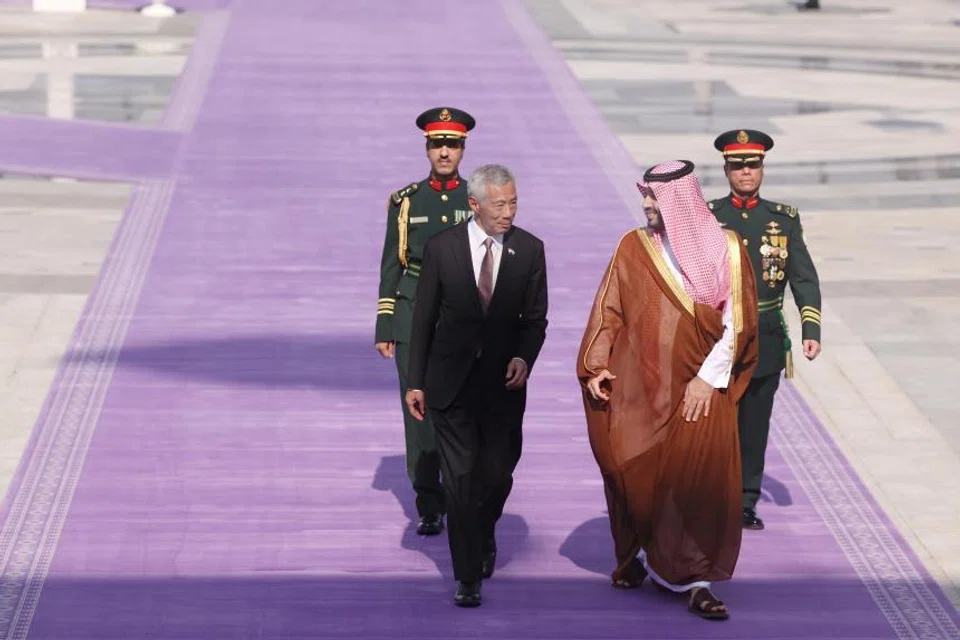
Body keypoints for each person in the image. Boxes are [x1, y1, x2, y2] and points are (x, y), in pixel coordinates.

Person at [577, 160, 759, 620]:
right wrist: (596, 364)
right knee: (631, 466)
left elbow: (738, 325)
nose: (645, 205)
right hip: (645, 387)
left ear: (679, 201)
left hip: (705, 389)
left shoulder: (728, 249)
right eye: (644, 196)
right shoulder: (633, 247)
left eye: (654, 198)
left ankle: (697, 580)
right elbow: (609, 310)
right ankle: (643, 554)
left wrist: (705, 379)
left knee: (697, 484)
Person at [405, 164, 548, 607]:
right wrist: (416, 382)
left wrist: (525, 357)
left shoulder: (528, 249)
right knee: (461, 480)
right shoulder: (441, 249)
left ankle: (484, 532)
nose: (508, 213)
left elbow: (536, 319)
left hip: (503, 388)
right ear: (474, 205)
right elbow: (423, 319)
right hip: (450, 387)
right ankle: (467, 576)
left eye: (513, 202)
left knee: (497, 475)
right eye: (499, 204)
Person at [708, 129, 822, 531]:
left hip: (767, 334)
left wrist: (811, 327)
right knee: (717, 421)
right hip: (719, 336)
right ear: (726, 170)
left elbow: (803, 277)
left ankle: (744, 501)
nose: (745, 173)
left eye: (752, 166)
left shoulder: (782, 219)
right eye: (738, 166)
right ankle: (712, 495)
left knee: (754, 424)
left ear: (762, 169)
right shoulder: (709, 217)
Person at [374, 107, 476, 536]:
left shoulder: (476, 199)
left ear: (463, 148)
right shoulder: (407, 201)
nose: (445, 152)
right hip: (413, 310)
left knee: (461, 404)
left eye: (452, 144)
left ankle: (461, 491)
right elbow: (390, 265)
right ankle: (428, 501)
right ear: (427, 148)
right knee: (416, 408)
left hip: (460, 312)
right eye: (438, 144)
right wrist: (385, 325)